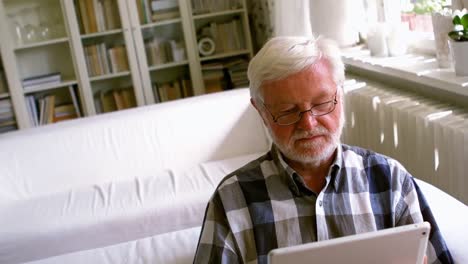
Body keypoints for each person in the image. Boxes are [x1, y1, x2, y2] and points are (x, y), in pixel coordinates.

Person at [192, 36, 452, 264]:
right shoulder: (232, 198)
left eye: (322, 103)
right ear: (261, 112)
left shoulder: (391, 180)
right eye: (287, 111)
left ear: (341, 94)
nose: (308, 123)